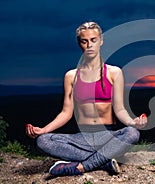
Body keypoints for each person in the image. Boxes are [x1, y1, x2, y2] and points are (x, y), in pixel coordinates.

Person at [25, 21, 147, 176]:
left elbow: (119, 108)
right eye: (84, 41)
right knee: (43, 141)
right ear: (79, 43)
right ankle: (104, 161)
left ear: (101, 41)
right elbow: (66, 113)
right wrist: (43, 130)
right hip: (82, 138)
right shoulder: (71, 76)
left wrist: (132, 122)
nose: (89, 45)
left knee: (132, 133)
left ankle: (81, 167)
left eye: (93, 40)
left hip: (107, 136)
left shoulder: (114, 72)